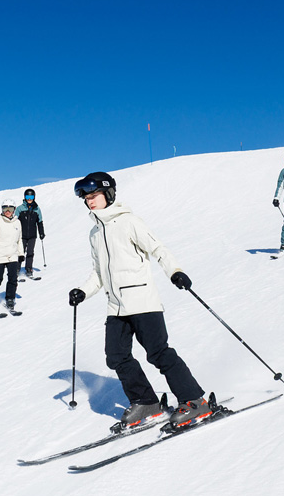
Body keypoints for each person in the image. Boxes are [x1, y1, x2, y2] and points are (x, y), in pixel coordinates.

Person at [67, 172, 210, 430]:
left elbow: (158, 249)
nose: (90, 201)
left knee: (158, 353)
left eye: (94, 196)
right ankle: (146, 402)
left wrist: (174, 271)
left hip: (143, 301)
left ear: (108, 194)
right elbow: (99, 273)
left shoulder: (129, 222)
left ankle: (194, 400)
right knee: (116, 357)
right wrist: (82, 291)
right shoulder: (95, 233)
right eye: (86, 198)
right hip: (116, 306)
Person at [15, 188, 45, 277]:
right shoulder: (20, 208)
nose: (29, 198)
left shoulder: (37, 209)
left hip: (32, 235)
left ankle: (29, 268)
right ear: (25, 197)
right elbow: (15, 221)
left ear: (34, 197)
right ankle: (17, 268)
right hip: (22, 235)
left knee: (30, 252)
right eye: (27, 196)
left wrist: (41, 233)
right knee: (20, 252)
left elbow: (40, 222)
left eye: (31, 196)